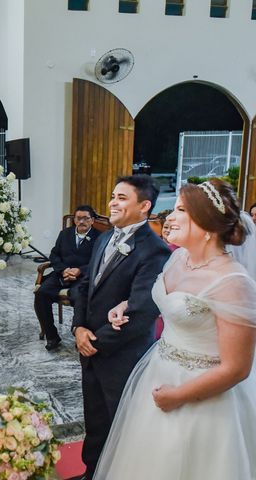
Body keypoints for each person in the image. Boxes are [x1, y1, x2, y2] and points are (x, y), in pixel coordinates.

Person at [94, 179, 256, 479]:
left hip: (203, 397)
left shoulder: (233, 283)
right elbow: (168, 300)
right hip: (157, 373)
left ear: (207, 224)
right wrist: (126, 305)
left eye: (181, 209)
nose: (170, 217)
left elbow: (237, 368)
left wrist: (179, 395)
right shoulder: (179, 257)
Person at [71, 175, 171, 480]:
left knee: (121, 425)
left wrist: (95, 341)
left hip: (122, 358)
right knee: (95, 422)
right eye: (113, 196)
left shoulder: (155, 251)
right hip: (90, 349)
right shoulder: (104, 237)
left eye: (122, 198)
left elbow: (141, 311)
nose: (113, 202)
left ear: (144, 206)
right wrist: (78, 328)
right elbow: (86, 286)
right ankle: (92, 473)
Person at [34, 205, 100, 350]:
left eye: (86, 218)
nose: (81, 221)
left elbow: (99, 261)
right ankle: (52, 336)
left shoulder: (100, 237)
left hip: (84, 278)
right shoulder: (65, 234)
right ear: (74, 219)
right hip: (61, 274)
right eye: (78, 218)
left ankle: (79, 335)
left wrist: (79, 271)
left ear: (92, 220)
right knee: (41, 294)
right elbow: (54, 254)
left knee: (80, 297)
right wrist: (64, 270)